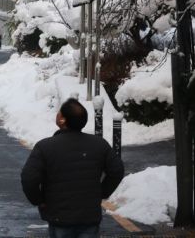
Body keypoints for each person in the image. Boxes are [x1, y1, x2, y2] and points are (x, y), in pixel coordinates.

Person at [20, 98, 125, 238]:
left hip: (59, 216)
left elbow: (29, 178)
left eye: (59, 113)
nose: (57, 115)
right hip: (89, 215)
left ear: (62, 120)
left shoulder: (45, 147)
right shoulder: (99, 144)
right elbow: (117, 171)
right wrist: (101, 192)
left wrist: (39, 200)